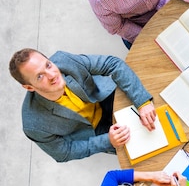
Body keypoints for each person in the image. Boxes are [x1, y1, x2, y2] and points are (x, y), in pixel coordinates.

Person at [9, 48, 155, 162]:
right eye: (39, 76)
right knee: (149, 152)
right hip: (96, 132)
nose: (52, 75)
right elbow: (64, 153)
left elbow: (113, 64)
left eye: (48, 65)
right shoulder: (33, 124)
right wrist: (106, 141)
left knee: (157, 118)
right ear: (29, 87)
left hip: (105, 97)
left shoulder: (64, 60)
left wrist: (142, 102)